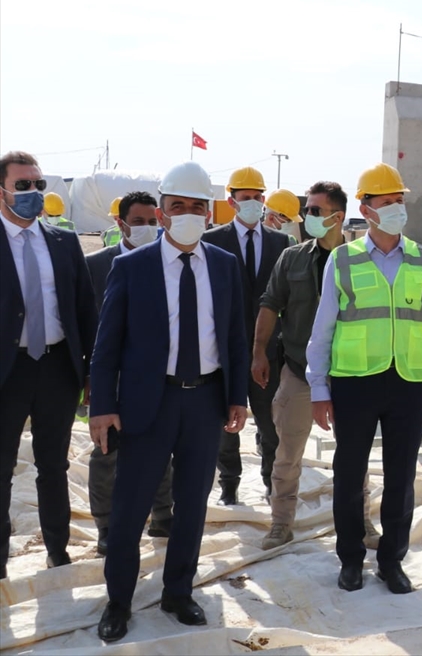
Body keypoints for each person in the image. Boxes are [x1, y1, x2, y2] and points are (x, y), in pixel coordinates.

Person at [89, 161, 249, 643]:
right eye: (177, 206)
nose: (188, 214)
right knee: (131, 506)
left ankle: (178, 592)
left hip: (205, 402)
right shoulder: (131, 267)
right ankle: (119, 601)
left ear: (210, 213)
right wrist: (103, 405)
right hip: (148, 402)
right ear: (161, 214)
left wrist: (237, 397)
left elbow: (234, 336)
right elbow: (107, 344)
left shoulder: (223, 265)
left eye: (197, 207)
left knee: (192, 505)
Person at [307, 163, 422, 594]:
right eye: (387, 202)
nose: (396, 209)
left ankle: (392, 561)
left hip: (408, 381)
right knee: (349, 474)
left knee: (401, 476)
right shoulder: (343, 259)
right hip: (354, 382)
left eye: (399, 201)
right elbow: (323, 330)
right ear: (366, 209)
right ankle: (351, 559)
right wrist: (319, 388)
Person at [253, 181, 379, 550]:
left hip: (350, 374)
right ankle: (281, 523)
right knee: (287, 454)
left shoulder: (361, 260)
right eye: (306, 209)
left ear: (337, 217)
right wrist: (258, 351)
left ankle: (361, 522)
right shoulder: (292, 258)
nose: (306, 216)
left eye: (314, 211)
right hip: (299, 370)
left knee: (354, 455)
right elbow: (270, 303)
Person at [0, 151, 97, 580]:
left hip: (57, 368)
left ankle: (57, 550)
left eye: (38, 184)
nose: (33, 193)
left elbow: (85, 309)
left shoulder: (63, 242)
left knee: (54, 466)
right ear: (1, 191)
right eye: (22, 185)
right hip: (8, 372)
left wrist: (91, 370)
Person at [85, 191, 172, 555]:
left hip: (156, 374)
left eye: (152, 222)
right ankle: (107, 525)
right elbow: (85, 322)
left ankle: (163, 515)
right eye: (138, 222)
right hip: (110, 375)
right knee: (107, 450)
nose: (147, 228)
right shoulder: (96, 266)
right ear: (120, 224)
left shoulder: (168, 262)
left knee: (161, 445)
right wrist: (91, 379)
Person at [201, 167, 290, 505]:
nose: (253, 202)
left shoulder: (281, 243)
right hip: (224, 351)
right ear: (232, 201)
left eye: (257, 196)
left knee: (270, 424)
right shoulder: (211, 241)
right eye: (246, 197)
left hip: (268, 352)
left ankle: (270, 483)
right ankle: (229, 485)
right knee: (227, 423)